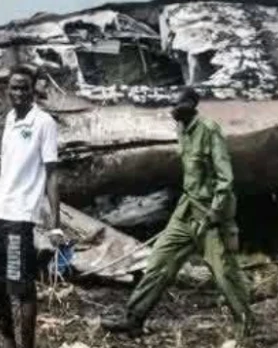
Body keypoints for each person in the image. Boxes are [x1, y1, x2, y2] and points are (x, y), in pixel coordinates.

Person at [102, 88, 253, 343]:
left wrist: (214, 214)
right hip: (186, 210)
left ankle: (245, 326)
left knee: (224, 274)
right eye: (171, 105)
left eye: (178, 105)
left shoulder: (208, 130)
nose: (172, 109)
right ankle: (134, 319)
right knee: (158, 263)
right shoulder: (181, 129)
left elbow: (225, 179)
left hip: (210, 215)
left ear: (192, 105)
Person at [0, 63, 64, 348]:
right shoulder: (9, 119)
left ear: (33, 91)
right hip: (0, 215)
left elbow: (52, 174)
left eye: (24, 88)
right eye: (14, 88)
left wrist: (55, 224)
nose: (19, 93)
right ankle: (8, 340)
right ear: (7, 90)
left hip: (20, 218)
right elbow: (8, 172)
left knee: (20, 286)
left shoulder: (43, 123)